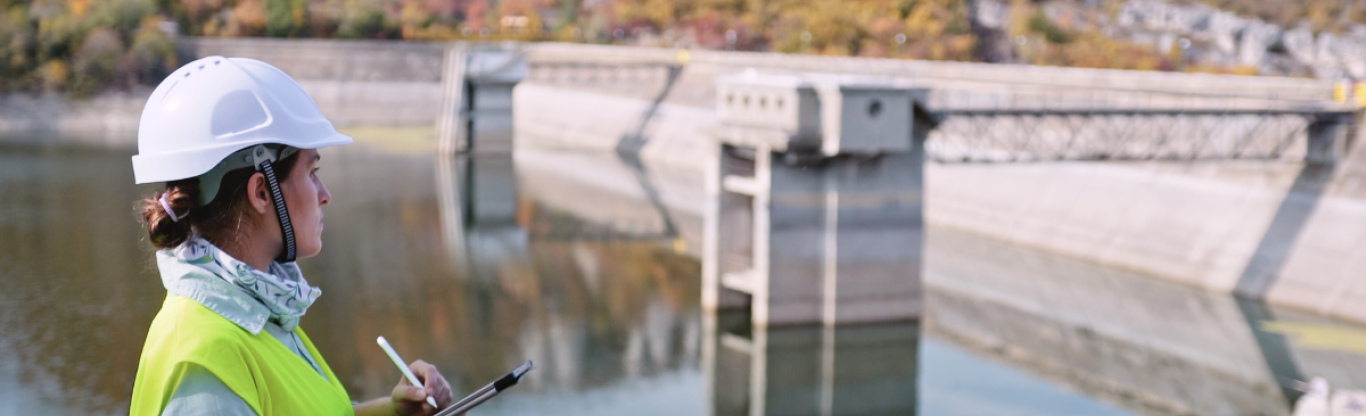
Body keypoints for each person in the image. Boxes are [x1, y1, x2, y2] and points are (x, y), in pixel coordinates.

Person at [128, 56, 455, 416]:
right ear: (262, 193)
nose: (324, 193)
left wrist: (394, 413)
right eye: (312, 171)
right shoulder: (203, 364)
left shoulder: (255, 307)